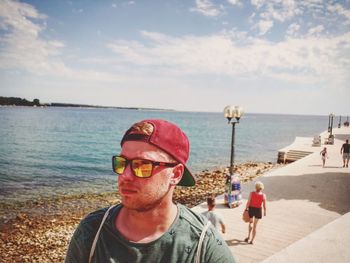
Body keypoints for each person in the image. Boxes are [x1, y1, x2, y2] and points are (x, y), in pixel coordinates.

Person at [65, 119, 235, 263]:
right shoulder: (93, 231)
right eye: (122, 163)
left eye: (143, 165)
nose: (125, 176)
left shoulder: (203, 247)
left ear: (175, 174)